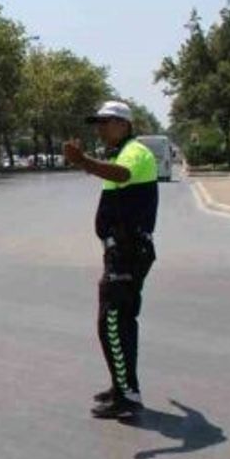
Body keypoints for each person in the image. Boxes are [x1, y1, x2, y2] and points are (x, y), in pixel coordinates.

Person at [63, 101, 158, 419]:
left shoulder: (135, 151)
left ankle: (128, 395)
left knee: (113, 322)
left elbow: (122, 173)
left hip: (128, 253)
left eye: (106, 123)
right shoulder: (123, 151)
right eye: (98, 124)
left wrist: (84, 162)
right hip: (123, 252)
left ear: (124, 124)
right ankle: (122, 386)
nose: (100, 129)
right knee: (117, 322)